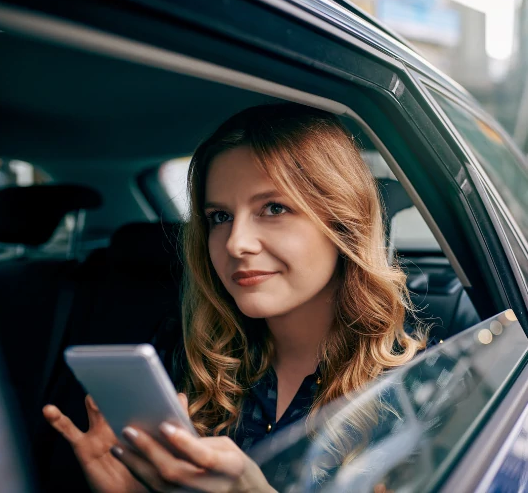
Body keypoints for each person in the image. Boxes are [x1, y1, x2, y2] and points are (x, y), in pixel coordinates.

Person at [43, 103, 426, 492]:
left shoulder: (418, 383)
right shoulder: (190, 357)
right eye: (219, 217)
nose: (236, 243)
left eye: (273, 208)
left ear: (343, 223)